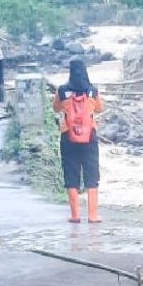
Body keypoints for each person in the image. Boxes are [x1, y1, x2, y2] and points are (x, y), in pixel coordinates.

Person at [52, 59, 105, 224]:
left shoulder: (62, 91)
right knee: (92, 174)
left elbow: (55, 108)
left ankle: (75, 215)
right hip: (89, 136)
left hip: (68, 136)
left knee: (71, 173)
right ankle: (93, 215)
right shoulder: (92, 91)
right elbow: (99, 108)